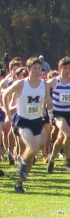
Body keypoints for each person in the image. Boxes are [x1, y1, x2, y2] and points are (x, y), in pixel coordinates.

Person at [2, 58, 49, 193]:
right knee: (33, 147)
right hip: (22, 120)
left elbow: (47, 100)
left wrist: (47, 105)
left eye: (39, 69)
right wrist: (8, 115)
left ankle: (19, 183)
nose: (37, 71)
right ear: (28, 70)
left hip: (37, 120)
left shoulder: (44, 84)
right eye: (34, 68)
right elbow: (5, 94)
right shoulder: (21, 84)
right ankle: (21, 160)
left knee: (34, 153)